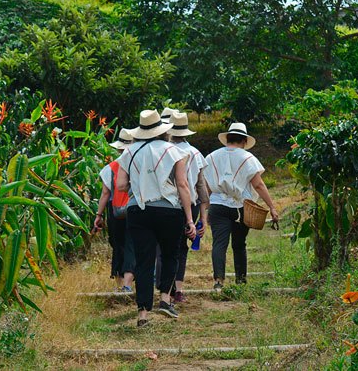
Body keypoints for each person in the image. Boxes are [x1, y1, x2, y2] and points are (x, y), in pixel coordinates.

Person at [115, 110, 197, 327]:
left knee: (144, 260)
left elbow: (121, 185)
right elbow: (182, 186)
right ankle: (165, 300)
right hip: (168, 209)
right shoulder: (175, 151)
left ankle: (143, 314)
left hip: (138, 210)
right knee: (170, 255)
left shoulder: (129, 152)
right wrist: (190, 220)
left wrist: (141, 184)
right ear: (162, 131)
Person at [205, 123, 279, 291]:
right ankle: (241, 281)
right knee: (239, 244)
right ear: (244, 141)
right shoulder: (247, 158)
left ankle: (218, 281)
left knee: (219, 244)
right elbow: (258, 185)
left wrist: (205, 209)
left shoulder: (211, 157)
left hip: (217, 204)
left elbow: (207, 186)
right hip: (240, 206)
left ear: (227, 139)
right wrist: (272, 207)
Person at [166, 111, 209, 303]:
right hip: (190, 205)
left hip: (167, 204)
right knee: (182, 248)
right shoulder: (195, 153)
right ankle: (179, 290)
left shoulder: (164, 150)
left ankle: (165, 289)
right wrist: (203, 217)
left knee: (165, 247)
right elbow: (200, 186)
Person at [94, 128, 136, 292]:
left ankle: (119, 284)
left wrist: (98, 215)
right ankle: (127, 284)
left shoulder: (109, 168)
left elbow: (105, 194)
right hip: (134, 210)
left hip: (115, 212)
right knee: (131, 245)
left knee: (118, 246)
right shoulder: (136, 165)